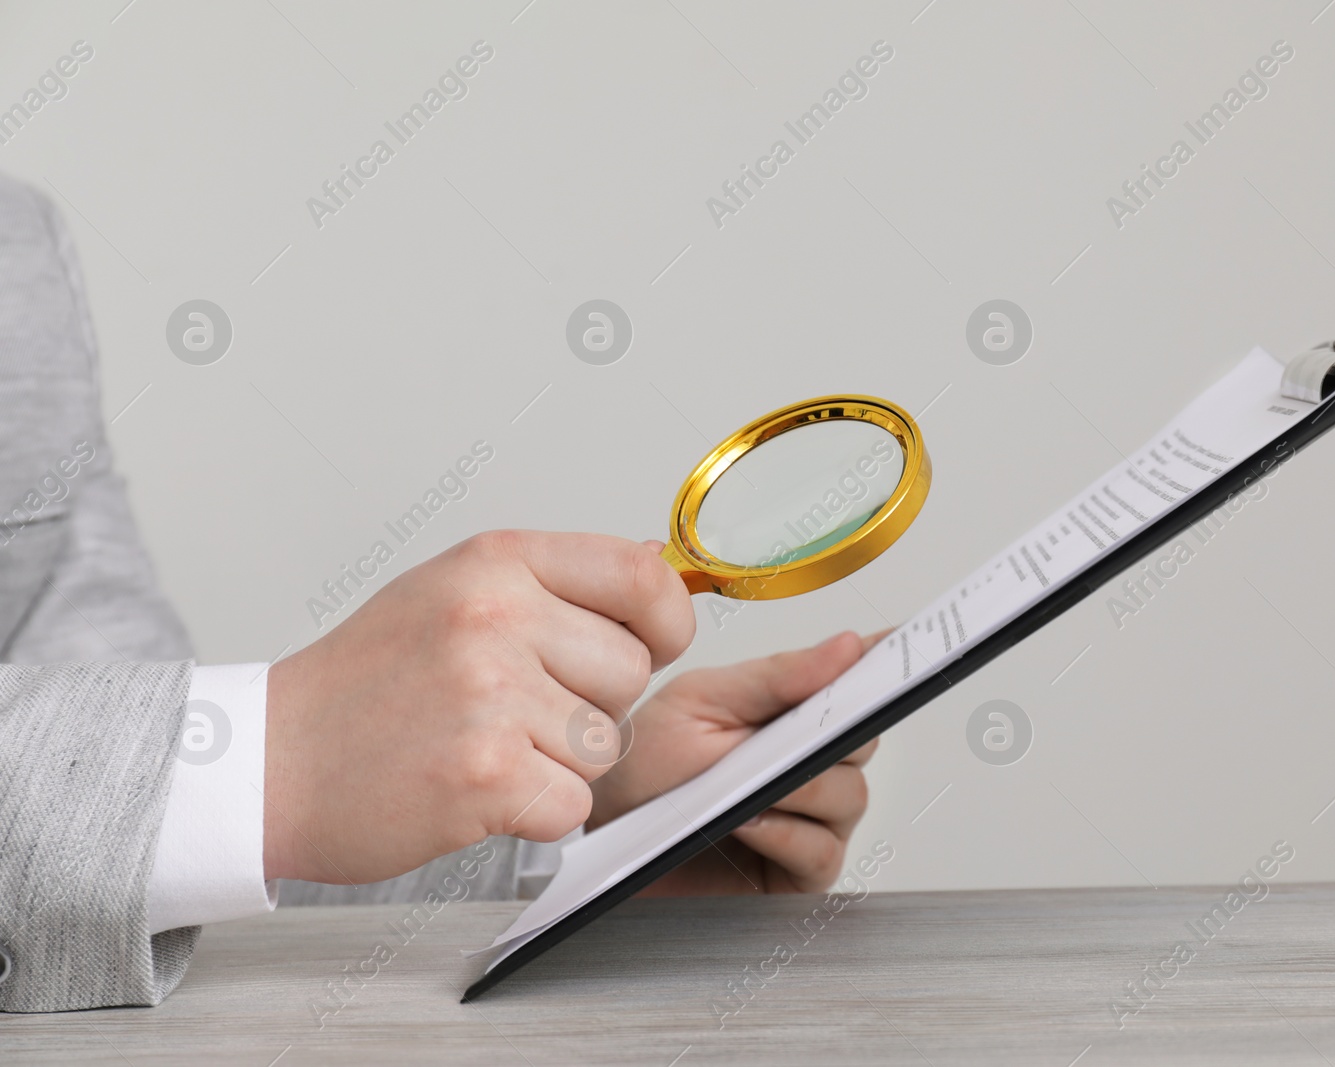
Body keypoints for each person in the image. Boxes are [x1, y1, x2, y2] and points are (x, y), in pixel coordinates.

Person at [0, 174, 877, 1013]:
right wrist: (287, 752)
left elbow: (138, 817)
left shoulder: (19, 241)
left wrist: (594, 846)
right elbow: (205, 783)